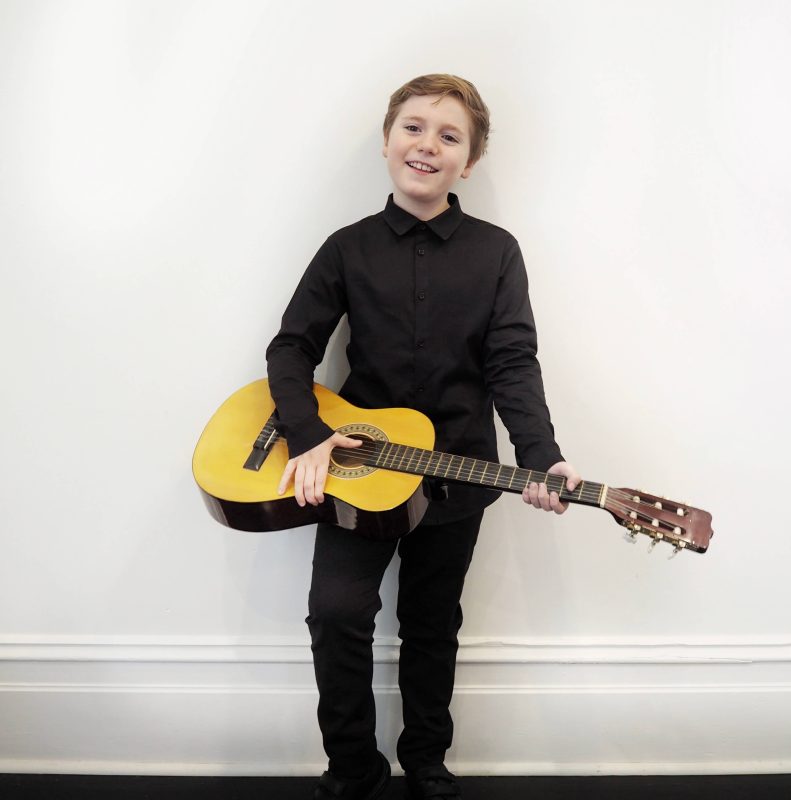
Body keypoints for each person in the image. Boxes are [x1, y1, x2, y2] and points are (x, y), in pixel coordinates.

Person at [266, 74, 580, 800]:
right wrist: (308, 434)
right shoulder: (345, 248)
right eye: (413, 127)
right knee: (336, 613)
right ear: (386, 141)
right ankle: (352, 767)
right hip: (357, 471)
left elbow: (512, 361)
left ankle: (427, 759)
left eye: (449, 136)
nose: (427, 145)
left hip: (456, 474)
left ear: (469, 162)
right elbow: (291, 348)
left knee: (432, 624)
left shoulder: (497, 252)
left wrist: (542, 455)